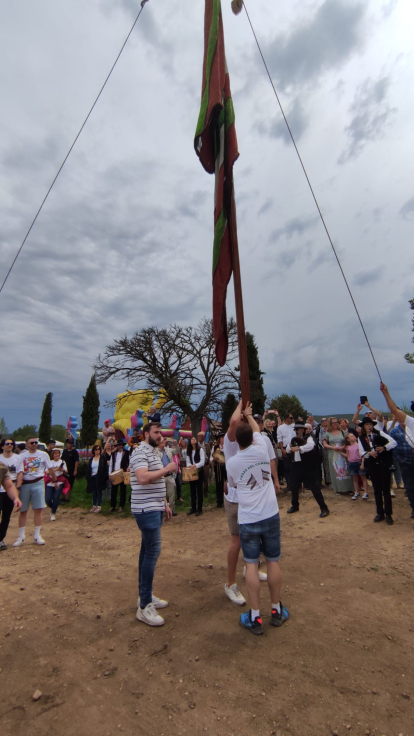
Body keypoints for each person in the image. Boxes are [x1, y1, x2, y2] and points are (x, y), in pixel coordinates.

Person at [226, 403, 289, 635]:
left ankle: (254, 615)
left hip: (249, 518)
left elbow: (232, 484)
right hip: (270, 514)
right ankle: (275, 609)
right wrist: (250, 416)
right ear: (252, 438)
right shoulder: (262, 447)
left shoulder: (232, 463)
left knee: (251, 564)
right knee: (272, 561)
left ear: (237, 442)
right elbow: (259, 432)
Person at [129, 422, 176, 627]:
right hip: (145, 510)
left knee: (145, 551)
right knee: (152, 552)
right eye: (156, 432)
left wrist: (164, 503)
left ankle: (144, 595)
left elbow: (156, 482)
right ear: (146, 434)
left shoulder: (153, 452)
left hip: (154, 507)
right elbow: (142, 478)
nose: (160, 435)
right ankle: (145, 605)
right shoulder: (140, 452)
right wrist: (166, 469)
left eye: (161, 432)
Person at [13, 437, 57, 546]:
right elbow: (19, 471)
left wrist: (55, 480)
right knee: (23, 510)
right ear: (27, 444)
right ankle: (21, 536)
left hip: (38, 482)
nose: (34, 444)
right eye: (32, 443)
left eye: (35, 442)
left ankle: (37, 535)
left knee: (38, 509)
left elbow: (50, 468)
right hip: (25, 484)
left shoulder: (43, 455)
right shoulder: (21, 456)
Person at [379, 383, 414, 517]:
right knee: (410, 485)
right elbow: (394, 410)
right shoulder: (411, 421)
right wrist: (386, 393)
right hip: (408, 458)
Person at [358, 415, 397, 524]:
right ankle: (380, 513)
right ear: (363, 427)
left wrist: (384, 448)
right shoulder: (361, 438)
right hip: (372, 465)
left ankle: (389, 514)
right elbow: (361, 452)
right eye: (366, 425)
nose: (369, 426)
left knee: (386, 489)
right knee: (377, 489)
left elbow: (393, 442)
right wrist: (368, 453)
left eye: (370, 424)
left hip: (383, 464)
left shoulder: (380, 433)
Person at [286, 422, 329, 517]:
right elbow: (288, 450)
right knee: (294, 487)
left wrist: (299, 448)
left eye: (301, 429)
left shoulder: (309, 438)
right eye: (297, 429)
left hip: (307, 467)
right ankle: (295, 505)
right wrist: (292, 445)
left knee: (314, 487)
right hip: (296, 466)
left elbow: (310, 446)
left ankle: (324, 508)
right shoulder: (293, 439)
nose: (299, 431)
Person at [322, 418, 354, 495]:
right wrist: (333, 447)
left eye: (337, 422)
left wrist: (343, 447)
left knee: (346, 470)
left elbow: (346, 441)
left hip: (342, 453)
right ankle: (338, 489)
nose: (336, 424)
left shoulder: (342, 432)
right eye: (334, 423)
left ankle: (349, 488)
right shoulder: (327, 434)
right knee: (335, 471)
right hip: (333, 454)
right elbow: (325, 444)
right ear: (330, 424)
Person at [0, 439, 20, 549]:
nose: (10, 446)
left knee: (6, 516)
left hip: (5, 493)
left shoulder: (1, 466)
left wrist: (16, 497)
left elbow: (8, 485)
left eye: (11, 444)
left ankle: (0, 538)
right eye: (7, 444)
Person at [44, 448, 70, 520]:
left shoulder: (62, 462)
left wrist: (62, 470)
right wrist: (56, 469)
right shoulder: (50, 462)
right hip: (50, 482)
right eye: (55, 453)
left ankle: (53, 513)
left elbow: (66, 471)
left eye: (58, 453)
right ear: (53, 455)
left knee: (56, 497)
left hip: (60, 481)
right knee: (48, 499)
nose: (57, 455)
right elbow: (47, 472)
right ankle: (54, 507)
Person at [342, 433, 369, 500]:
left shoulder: (359, 445)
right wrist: (340, 452)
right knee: (355, 479)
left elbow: (362, 455)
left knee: (363, 478)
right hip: (351, 463)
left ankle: (366, 492)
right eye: (351, 436)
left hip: (359, 462)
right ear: (348, 439)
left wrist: (362, 463)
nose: (353, 436)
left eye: (353, 435)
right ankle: (356, 492)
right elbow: (347, 455)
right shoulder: (348, 447)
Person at [156, 438, 177, 516]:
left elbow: (177, 451)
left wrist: (176, 444)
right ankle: (162, 510)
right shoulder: (155, 451)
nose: (163, 442)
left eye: (164, 441)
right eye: (161, 441)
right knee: (161, 494)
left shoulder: (168, 450)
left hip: (169, 475)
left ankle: (171, 510)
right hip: (160, 476)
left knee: (171, 493)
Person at [107, 440, 129, 512]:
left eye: (122, 445)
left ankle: (121, 506)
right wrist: (109, 474)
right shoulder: (113, 454)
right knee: (114, 490)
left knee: (123, 490)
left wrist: (128, 469)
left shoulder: (127, 453)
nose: (121, 446)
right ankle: (113, 506)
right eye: (119, 445)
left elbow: (129, 462)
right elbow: (111, 464)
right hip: (115, 473)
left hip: (122, 473)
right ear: (117, 446)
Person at [186, 437, 205, 516]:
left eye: (195, 439)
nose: (194, 440)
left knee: (199, 490)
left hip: (199, 471)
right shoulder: (189, 452)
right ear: (190, 442)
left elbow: (202, 461)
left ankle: (199, 509)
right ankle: (193, 508)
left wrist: (195, 466)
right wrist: (190, 466)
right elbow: (187, 462)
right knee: (192, 490)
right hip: (191, 472)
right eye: (192, 439)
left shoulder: (200, 450)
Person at [87, 445, 109, 513]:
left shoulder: (102, 458)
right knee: (94, 492)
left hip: (99, 476)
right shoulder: (91, 459)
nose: (97, 451)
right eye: (96, 449)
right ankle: (94, 505)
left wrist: (105, 477)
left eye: (99, 449)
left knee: (99, 491)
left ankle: (99, 505)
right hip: (92, 476)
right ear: (94, 451)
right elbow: (89, 468)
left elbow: (105, 468)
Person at [277, 414, 296, 490]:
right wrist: (282, 449)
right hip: (285, 447)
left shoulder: (294, 426)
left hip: (294, 447)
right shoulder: (280, 428)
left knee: (294, 467)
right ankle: (289, 485)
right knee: (287, 467)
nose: (292, 419)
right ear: (286, 418)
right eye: (291, 418)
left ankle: (295, 484)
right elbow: (280, 439)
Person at [212, 434, 226, 508]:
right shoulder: (215, 447)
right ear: (219, 439)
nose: (223, 439)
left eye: (224, 438)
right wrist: (214, 460)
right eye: (221, 438)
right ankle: (219, 501)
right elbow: (211, 458)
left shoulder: (228, 446)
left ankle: (228, 499)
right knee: (219, 483)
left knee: (228, 482)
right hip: (218, 467)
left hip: (227, 467)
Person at [197, 431, 211, 497]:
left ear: (203, 437)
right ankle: (199, 492)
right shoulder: (196, 445)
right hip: (198, 465)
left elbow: (209, 454)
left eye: (200, 436)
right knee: (199, 479)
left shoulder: (207, 445)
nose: (198, 437)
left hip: (206, 464)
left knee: (206, 479)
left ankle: (206, 492)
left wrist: (209, 463)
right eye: (198, 436)